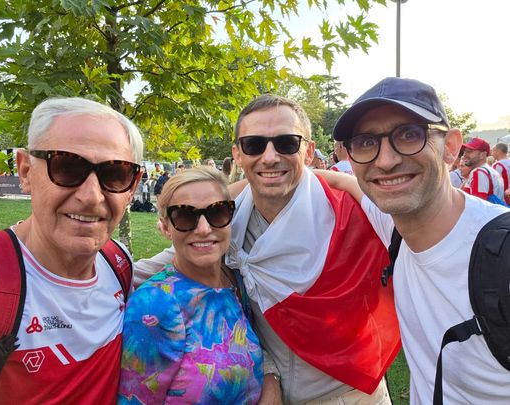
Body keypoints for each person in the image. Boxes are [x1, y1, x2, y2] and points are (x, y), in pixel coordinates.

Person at [136, 94, 400, 404]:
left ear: (308, 151)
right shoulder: (225, 222)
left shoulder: (354, 213)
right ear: (237, 154)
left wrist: (344, 182)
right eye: (254, 145)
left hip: (351, 395)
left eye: (287, 143)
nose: (270, 157)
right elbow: (147, 270)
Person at [330, 76, 510, 403]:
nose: (385, 161)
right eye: (366, 142)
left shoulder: (503, 254)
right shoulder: (394, 226)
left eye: (409, 134)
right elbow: (345, 183)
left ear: (450, 147)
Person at [0, 97, 143, 403]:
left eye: (115, 174)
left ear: (132, 186)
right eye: (66, 167)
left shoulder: (118, 263)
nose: (91, 196)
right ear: (25, 171)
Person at [119, 166, 263, 403]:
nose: (204, 229)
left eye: (217, 212)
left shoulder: (234, 281)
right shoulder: (154, 305)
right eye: (185, 216)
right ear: (166, 227)